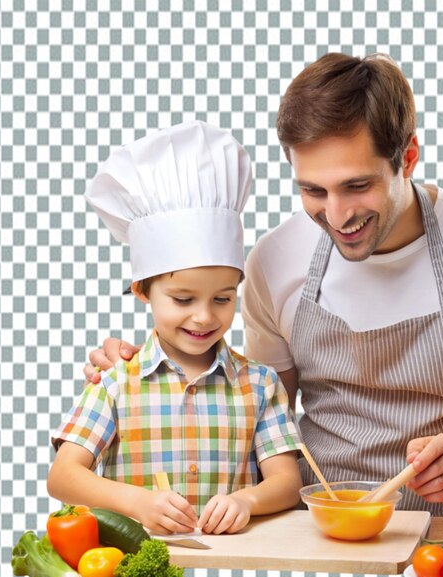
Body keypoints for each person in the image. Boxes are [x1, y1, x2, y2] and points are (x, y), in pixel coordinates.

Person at [85, 53, 443, 516]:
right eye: (313, 190)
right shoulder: (274, 260)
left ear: (407, 157)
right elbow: (256, 411)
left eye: (357, 186)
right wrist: (144, 377)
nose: (337, 216)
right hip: (313, 532)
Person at [48, 121, 303, 535]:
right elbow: (62, 477)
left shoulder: (259, 384)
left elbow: (287, 483)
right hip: (134, 567)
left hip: (237, 568)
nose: (204, 316)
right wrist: (137, 501)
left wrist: (247, 500)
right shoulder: (115, 380)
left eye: (222, 298)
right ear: (143, 291)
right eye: (183, 299)